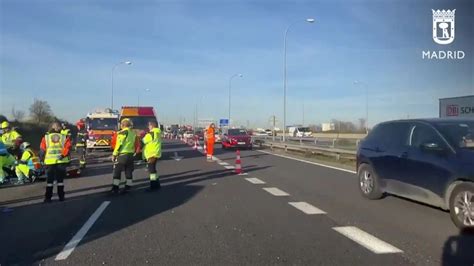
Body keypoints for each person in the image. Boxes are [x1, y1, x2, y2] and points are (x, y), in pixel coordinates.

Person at [40, 122, 71, 202]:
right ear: (57, 128)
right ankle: (61, 197)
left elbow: (42, 150)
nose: (60, 128)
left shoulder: (46, 137)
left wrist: (41, 159)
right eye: (59, 127)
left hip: (49, 162)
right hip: (61, 161)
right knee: (60, 181)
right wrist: (63, 155)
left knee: (49, 181)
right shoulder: (64, 137)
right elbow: (68, 147)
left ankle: (48, 198)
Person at [111, 119, 139, 194]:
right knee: (128, 171)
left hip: (123, 155)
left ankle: (115, 188)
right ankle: (128, 187)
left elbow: (119, 144)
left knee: (117, 171)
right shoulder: (133, 133)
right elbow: (135, 143)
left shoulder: (122, 132)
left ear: (122, 125)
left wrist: (114, 154)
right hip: (130, 155)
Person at [142, 121, 162, 190]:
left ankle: (153, 186)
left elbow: (143, 141)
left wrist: (143, 135)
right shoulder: (158, 132)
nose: (148, 127)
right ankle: (157, 184)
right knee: (153, 170)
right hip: (156, 153)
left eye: (149, 125)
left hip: (151, 154)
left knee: (151, 171)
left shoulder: (151, 134)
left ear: (152, 126)